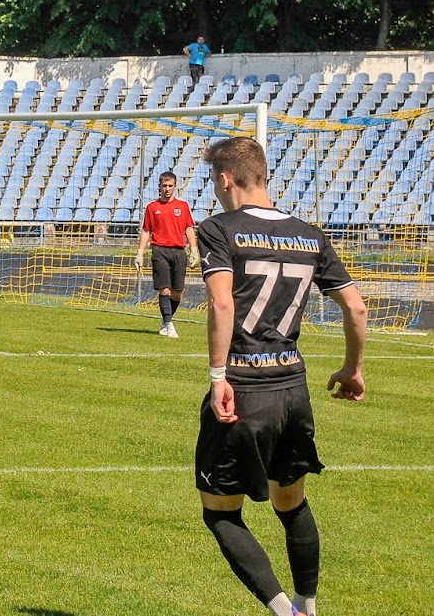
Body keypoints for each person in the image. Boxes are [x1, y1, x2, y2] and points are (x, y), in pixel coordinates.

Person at [195, 137, 367, 616]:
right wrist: (353, 369)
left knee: (221, 512)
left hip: (244, 387)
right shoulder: (309, 234)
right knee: (290, 502)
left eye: (214, 181)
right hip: (293, 387)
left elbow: (222, 301)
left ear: (225, 179)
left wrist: (217, 376)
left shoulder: (217, 229)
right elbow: (355, 306)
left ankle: (282, 611)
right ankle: (307, 605)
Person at [134, 171, 200, 338]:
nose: (167, 189)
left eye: (170, 186)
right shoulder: (152, 207)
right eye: (164, 185)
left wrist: (194, 250)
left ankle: (166, 321)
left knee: (177, 291)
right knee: (164, 289)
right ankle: (169, 324)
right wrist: (140, 253)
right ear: (159, 186)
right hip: (160, 250)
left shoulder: (183, 206)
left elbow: (189, 228)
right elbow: (146, 230)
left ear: (175, 187)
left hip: (179, 251)